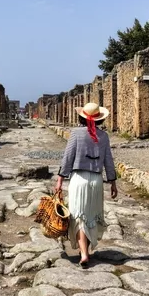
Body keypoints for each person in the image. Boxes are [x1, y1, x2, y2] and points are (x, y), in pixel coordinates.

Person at [54, 102, 117, 268]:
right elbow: (109, 161)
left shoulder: (76, 134)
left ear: (81, 117)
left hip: (78, 179)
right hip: (96, 180)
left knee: (79, 216)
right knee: (90, 217)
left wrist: (60, 178)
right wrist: (113, 182)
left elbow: (68, 157)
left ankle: (83, 254)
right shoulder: (104, 136)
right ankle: (86, 250)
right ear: (99, 120)